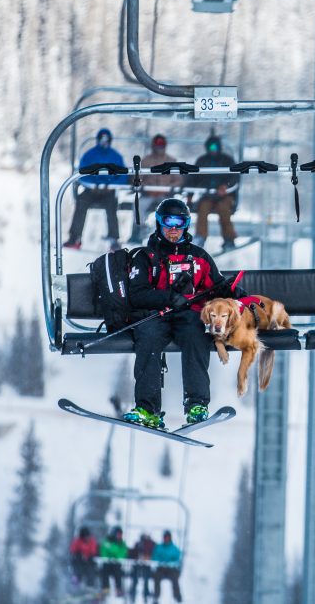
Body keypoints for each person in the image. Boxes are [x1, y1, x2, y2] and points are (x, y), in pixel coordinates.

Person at [123, 198, 245, 430]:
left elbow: (214, 286)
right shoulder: (146, 257)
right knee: (148, 336)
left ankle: (196, 404)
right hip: (155, 315)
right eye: (168, 222)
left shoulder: (198, 257)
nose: (173, 229)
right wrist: (168, 298)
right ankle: (148, 408)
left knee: (197, 331)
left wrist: (230, 291)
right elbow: (136, 294)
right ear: (159, 223)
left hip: (188, 316)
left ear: (186, 225)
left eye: (180, 223)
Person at [64, 128, 127, 250]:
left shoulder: (116, 156)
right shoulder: (89, 155)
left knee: (112, 205)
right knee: (81, 202)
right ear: (98, 140)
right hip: (91, 190)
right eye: (102, 139)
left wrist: (111, 185)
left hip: (109, 190)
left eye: (106, 139)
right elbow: (81, 174)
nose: (104, 142)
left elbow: (123, 175)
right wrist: (93, 185)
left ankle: (114, 239)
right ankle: (75, 237)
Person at [129, 134, 183, 245]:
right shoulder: (145, 161)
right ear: (153, 146)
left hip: (166, 195)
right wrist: (146, 189)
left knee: (172, 210)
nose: (159, 148)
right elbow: (137, 179)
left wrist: (167, 189)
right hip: (148, 194)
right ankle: (137, 232)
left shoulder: (172, 161)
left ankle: (172, 235)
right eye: (157, 145)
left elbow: (178, 180)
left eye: (162, 145)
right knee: (138, 206)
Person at [190, 133, 239, 249]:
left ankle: (229, 238)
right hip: (208, 195)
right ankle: (200, 237)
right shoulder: (202, 160)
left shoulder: (227, 160)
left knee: (224, 209)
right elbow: (193, 178)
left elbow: (235, 177)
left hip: (225, 195)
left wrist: (225, 187)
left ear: (219, 147)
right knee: (203, 208)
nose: (213, 150)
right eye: (211, 147)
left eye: (215, 147)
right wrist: (189, 195)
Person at [151, 530, 183, 603]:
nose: (166, 539)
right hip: (161, 568)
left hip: (171, 569)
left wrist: (170, 562)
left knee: (175, 578)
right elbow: (155, 556)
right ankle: (156, 596)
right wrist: (161, 561)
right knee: (156, 576)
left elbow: (177, 558)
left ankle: (177, 597)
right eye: (165, 537)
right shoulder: (159, 547)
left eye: (167, 537)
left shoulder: (174, 548)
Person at [98, 526, 128, 597]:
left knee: (118, 572)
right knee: (104, 571)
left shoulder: (122, 543)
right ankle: (105, 588)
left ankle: (118, 589)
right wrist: (113, 551)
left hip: (116, 564)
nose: (119, 536)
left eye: (120, 534)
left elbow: (122, 554)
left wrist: (111, 548)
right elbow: (103, 551)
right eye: (118, 534)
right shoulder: (107, 540)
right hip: (107, 563)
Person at [128, 532, 156, 600]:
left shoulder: (152, 545)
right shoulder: (138, 544)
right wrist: (135, 556)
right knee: (135, 577)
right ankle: (133, 592)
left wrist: (149, 557)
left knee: (146, 577)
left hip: (147, 565)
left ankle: (145, 593)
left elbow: (155, 554)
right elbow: (133, 553)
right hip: (137, 565)